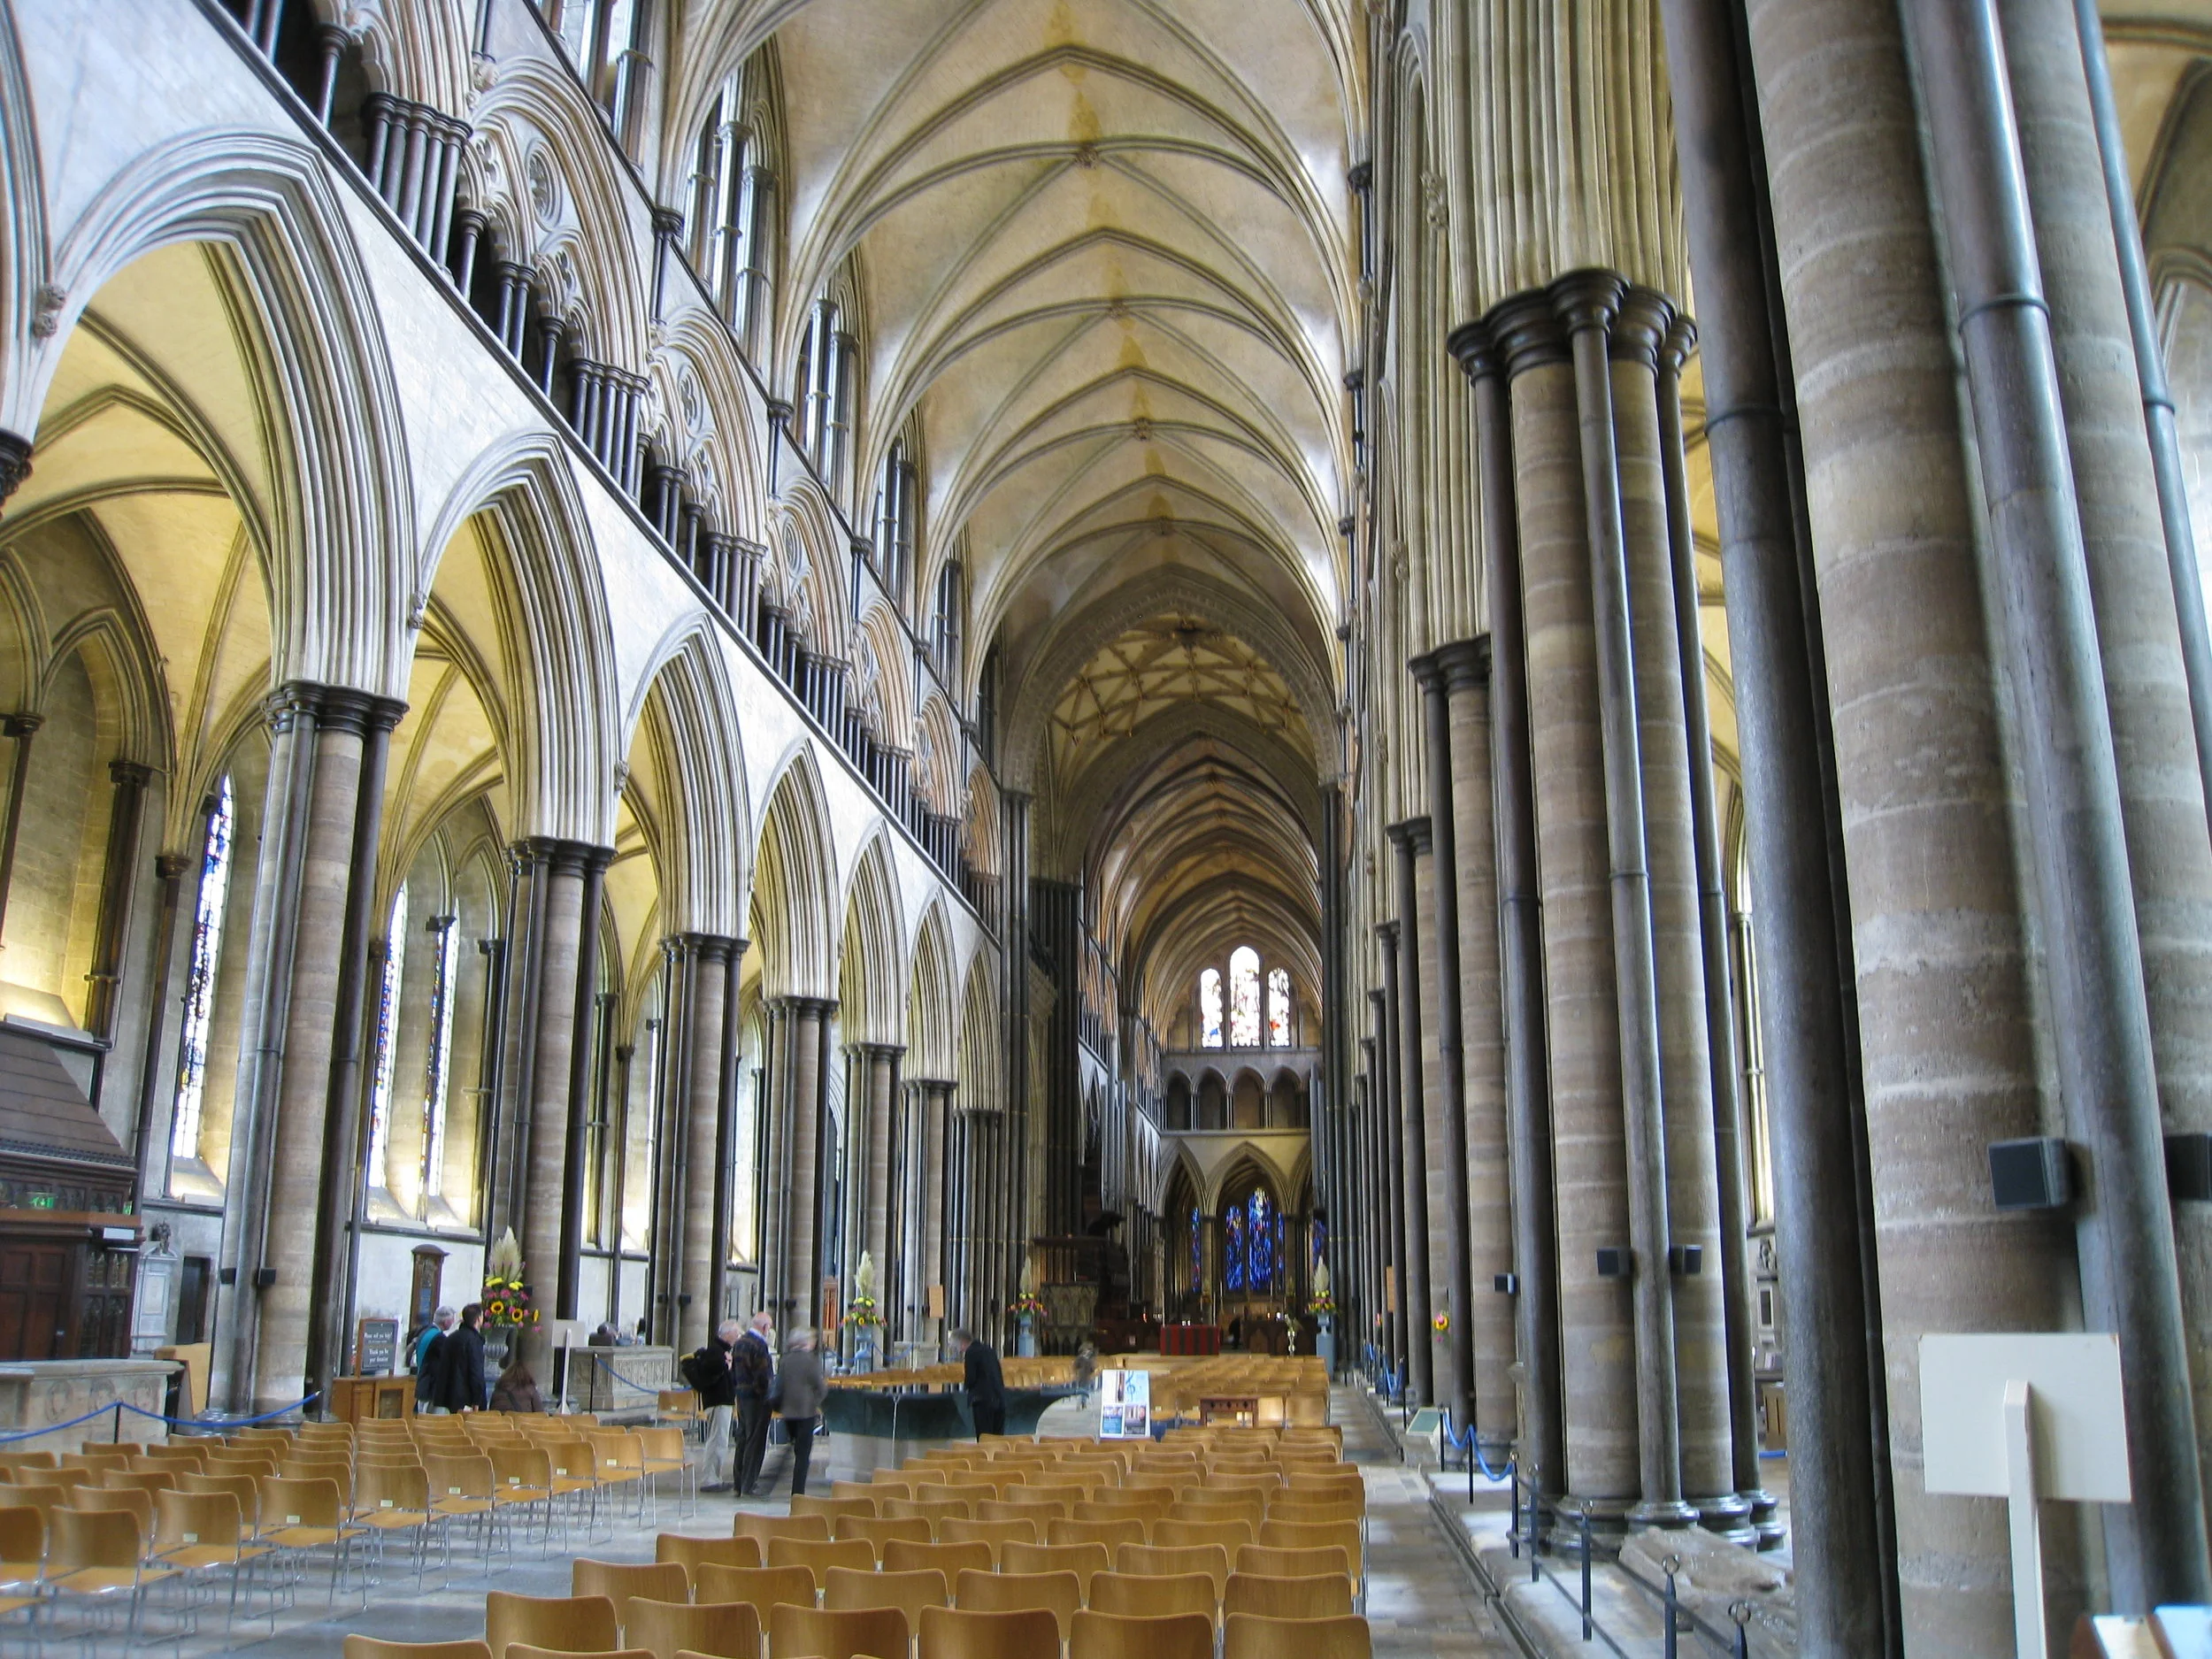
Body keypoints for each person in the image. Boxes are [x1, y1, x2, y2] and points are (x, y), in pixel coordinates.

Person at [691, 1319, 740, 1494]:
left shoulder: (722, 1351)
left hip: (723, 1401)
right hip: (718, 1402)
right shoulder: (715, 1352)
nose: (737, 1336)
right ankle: (710, 1479)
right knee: (716, 1441)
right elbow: (712, 1374)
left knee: (721, 1441)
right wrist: (725, 1364)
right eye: (736, 1333)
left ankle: (715, 1477)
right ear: (726, 1334)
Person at [776, 1328, 826, 1496]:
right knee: (803, 1454)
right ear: (807, 1342)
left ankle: (775, 1477)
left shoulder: (785, 1359)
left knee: (793, 1446)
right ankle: (798, 1491)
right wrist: (816, 1402)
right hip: (805, 1412)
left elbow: (780, 1384)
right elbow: (820, 1387)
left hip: (788, 1411)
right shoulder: (810, 1360)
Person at [733, 1311, 776, 1497]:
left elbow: (734, 1372)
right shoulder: (759, 1345)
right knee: (755, 1441)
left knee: (743, 1437)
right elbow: (763, 1375)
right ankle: (749, 1485)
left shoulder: (739, 1343)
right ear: (765, 1328)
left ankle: (739, 1482)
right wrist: (767, 1394)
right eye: (769, 1327)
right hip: (757, 1400)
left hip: (741, 1397)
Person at [952, 1327, 1005, 1438]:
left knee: (984, 1438)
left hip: (983, 1401)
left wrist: (966, 1387)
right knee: (998, 1439)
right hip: (999, 1399)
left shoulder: (971, 1352)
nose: (956, 1349)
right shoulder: (989, 1349)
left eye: (954, 1345)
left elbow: (971, 1378)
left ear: (961, 1342)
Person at [438, 1302, 488, 1413]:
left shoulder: (451, 1338)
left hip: (449, 1395)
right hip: (467, 1398)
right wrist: (477, 1400)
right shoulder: (474, 1340)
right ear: (479, 1319)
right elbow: (476, 1371)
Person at [413, 1306, 456, 1414]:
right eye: (452, 1320)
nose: (453, 1322)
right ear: (445, 1321)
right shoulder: (439, 1338)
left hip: (422, 1383)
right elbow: (448, 1361)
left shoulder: (425, 1332)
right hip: (432, 1387)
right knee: (433, 1423)